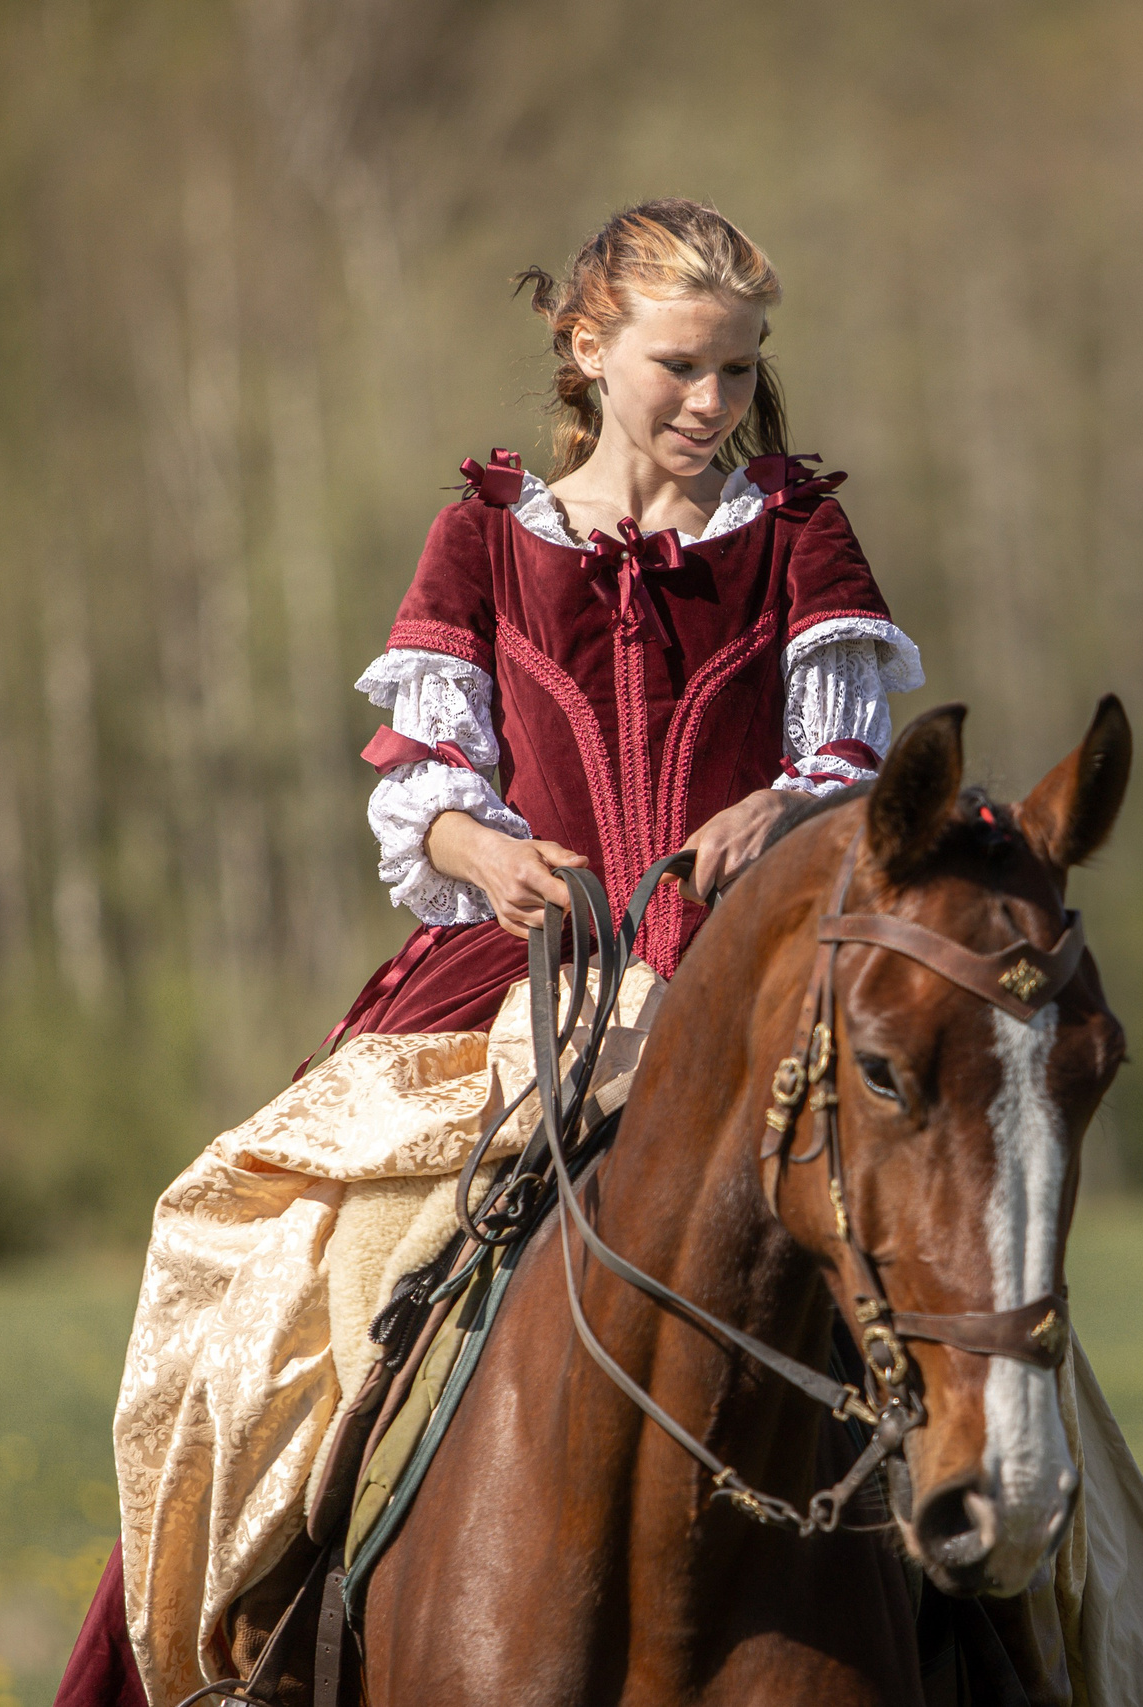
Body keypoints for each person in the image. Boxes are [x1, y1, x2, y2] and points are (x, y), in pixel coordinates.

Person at [58, 200, 929, 1706]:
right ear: (587, 348)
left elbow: (851, 772)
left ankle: (1014, 1627)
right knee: (268, 1279)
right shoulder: (481, 538)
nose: (716, 405)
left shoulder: (801, 535)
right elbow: (423, 795)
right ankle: (248, 1641)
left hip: (745, 996)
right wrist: (491, 853)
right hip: (518, 994)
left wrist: (782, 805)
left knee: (964, 1296)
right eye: (683, 367)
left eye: (741, 369)